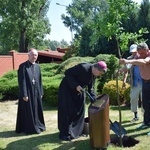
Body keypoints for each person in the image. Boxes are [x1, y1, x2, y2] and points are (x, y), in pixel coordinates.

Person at [58, 61, 107, 141]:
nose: (99, 75)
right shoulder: (83, 67)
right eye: (100, 73)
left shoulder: (93, 75)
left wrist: (95, 102)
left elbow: (91, 89)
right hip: (67, 89)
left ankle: (77, 132)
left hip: (79, 91)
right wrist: (76, 85)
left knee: (80, 110)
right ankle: (65, 133)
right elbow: (67, 73)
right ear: (96, 69)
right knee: (67, 111)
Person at [119, 42, 150, 133]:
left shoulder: (148, 56)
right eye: (139, 53)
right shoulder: (139, 56)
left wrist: (128, 61)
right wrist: (121, 70)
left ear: (147, 50)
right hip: (145, 82)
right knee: (145, 104)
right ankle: (146, 123)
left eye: (142, 53)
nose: (140, 55)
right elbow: (130, 65)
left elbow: (145, 62)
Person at [16, 48, 46, 135]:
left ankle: (38, 125)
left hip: (36, 92)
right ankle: (28, 128)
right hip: (28, 93)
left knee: (37, 110)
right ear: (28, 55)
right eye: (32, 55)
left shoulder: (38, 66)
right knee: (28, 111)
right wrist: (24, 94)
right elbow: (22, 81)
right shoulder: (23, 66)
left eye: (36, 55)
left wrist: (41, 92)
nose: (34, 57)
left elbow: (40, 80)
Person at [120, 44, 142, 123]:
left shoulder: (142, 57)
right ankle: (136, 116)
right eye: (132, 52)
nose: (133, 53)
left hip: (144, 82)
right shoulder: (129, 59)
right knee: (133, 99)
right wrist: (124, 81)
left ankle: (146, 117)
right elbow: (126, 71)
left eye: (135, 52)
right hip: (135, 82)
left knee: (145, 100)